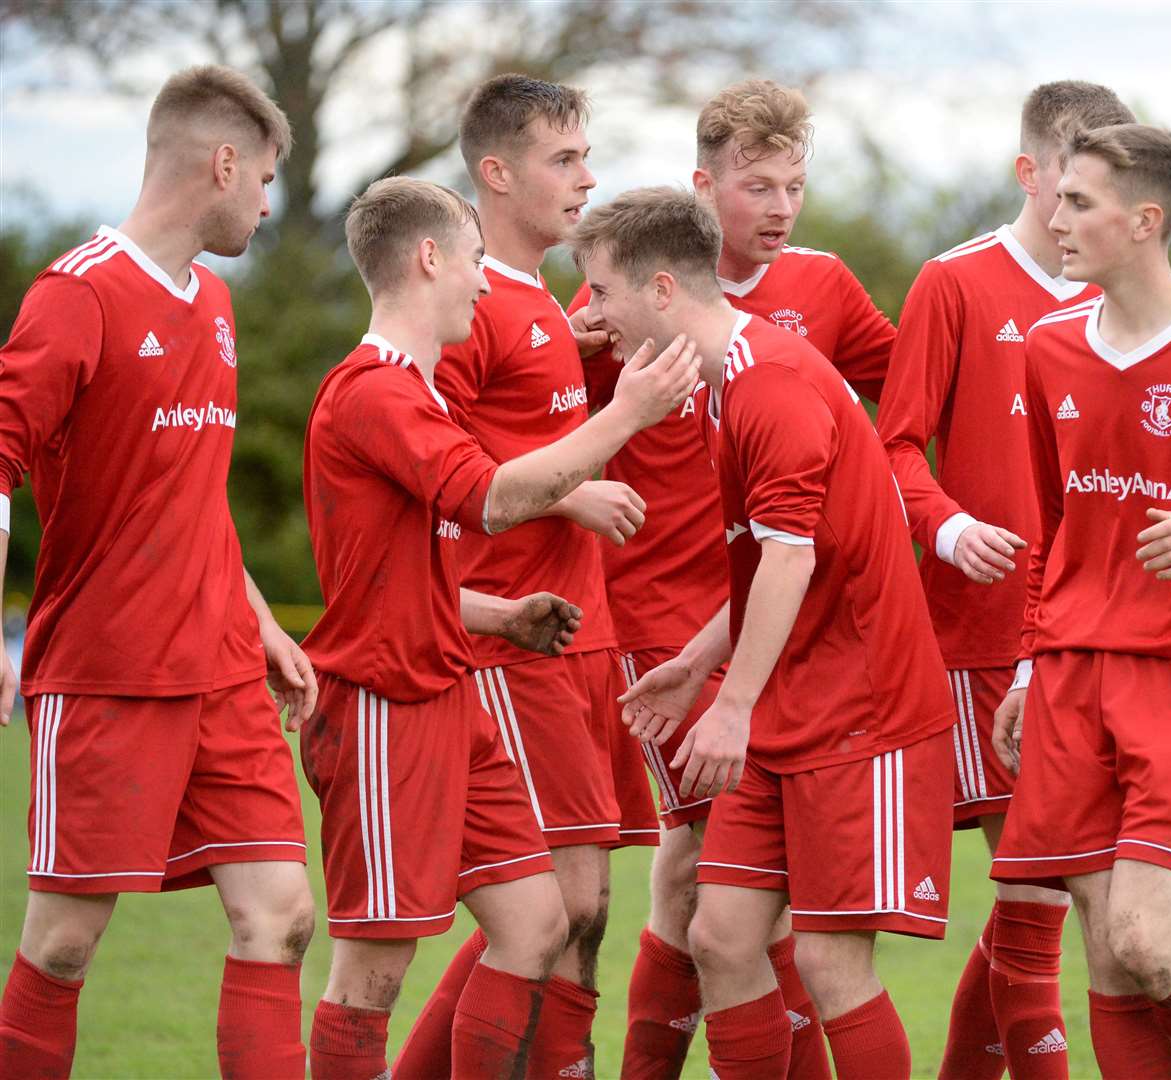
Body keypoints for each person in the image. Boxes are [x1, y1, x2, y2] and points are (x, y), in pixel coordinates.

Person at [299, 176, 698, 1079]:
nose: (485, 285)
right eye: (475, 261)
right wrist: (623, 416)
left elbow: (401, 575)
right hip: (381, 707)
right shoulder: (372, 391)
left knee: (537, 924)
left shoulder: (425, 394)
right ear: (429, 258)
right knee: (373, 967)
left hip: (451, 693)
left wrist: (500, 613)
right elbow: (490, 499)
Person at [580, 187, 956, 1080]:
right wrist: (693, 666)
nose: (590, 318)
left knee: (830, 963)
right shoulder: (722, 387)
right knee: (719, 936)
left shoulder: (772, 387)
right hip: (787, 708)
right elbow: (769, 562)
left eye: (599, 293)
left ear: (661, 289)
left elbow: (791, 563)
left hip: (862, 713)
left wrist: (731, 707)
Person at [0, 66, 317, 1079]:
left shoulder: (216, 305)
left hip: (221, 668)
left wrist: (261, 621)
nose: (267, 205)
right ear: (222, 163)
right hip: (108, 670)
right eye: (263, 181)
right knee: (62, 943)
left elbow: (191, 497)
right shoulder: (77, 293)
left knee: (279, 916)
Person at [391, 74, 659, 1079]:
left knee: (579, 911)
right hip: (512, 638)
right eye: (565, 160)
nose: (587, 179)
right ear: (495, 174)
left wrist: (582, 363)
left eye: (587, 156)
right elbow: (435, 475)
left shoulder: (545, 303)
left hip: (580, 632)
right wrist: (568, 492)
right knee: (548, 909)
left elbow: (520, 431)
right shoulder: (459, 311)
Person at [876, 80, 1134, 1079]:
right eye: (1071, 181)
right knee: (1046, 890)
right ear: (1028, 172)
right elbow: (889, 449)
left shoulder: (1126, 297)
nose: (1085, 206)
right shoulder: (954, 282)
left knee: (1065, 896)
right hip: (980, 636)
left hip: (1099, 636)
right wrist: (945, 529)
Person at [991, 123, 1171, 1080]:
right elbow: (1053, 528)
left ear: (1143, 221)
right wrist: (1028, 663)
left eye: (1077, 202)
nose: (1053, 219)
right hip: (1069, 671)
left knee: (1147, 943)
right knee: (1107, 954)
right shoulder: (1050, 347)